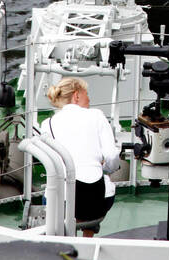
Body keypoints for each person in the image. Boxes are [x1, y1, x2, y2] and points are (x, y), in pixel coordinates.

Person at [45, 77, 120, 234]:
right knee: (102, 182)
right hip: (96, 200)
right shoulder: (97, 116)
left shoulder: (48, 123)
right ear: (77, 95)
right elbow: (112, 156)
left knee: (56, 191)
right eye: (87, 94)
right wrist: (105, 169)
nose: (89, 99)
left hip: (63, 201)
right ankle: (87, 236)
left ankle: (66, 238)